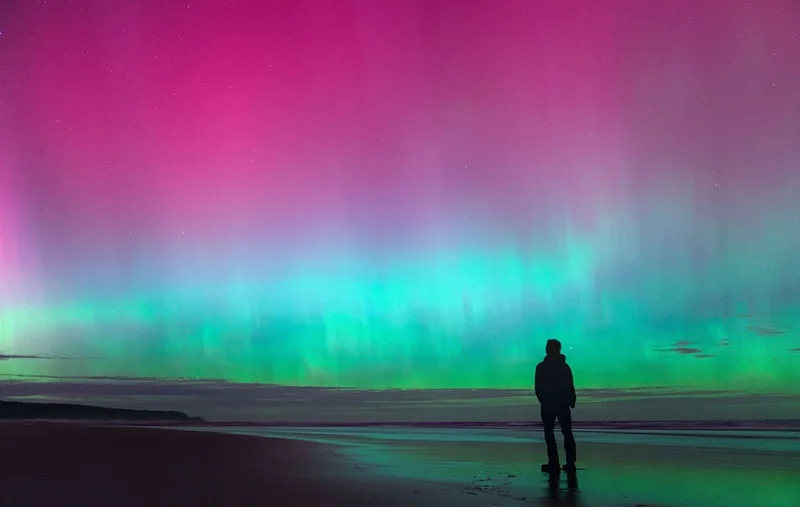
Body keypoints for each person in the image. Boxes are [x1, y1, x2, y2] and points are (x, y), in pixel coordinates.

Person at [534, 339, 577, 473]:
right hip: (554, 403)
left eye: (549, 347)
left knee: (558, 433)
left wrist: (570, 399)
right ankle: (562, 463)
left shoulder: (551, 367)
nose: (547, 349)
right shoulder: (558, 366)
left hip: (555, 403)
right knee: (560, 433)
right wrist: (571, 399)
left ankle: (560, 463)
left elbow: (569, 385)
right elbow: (539, 387)